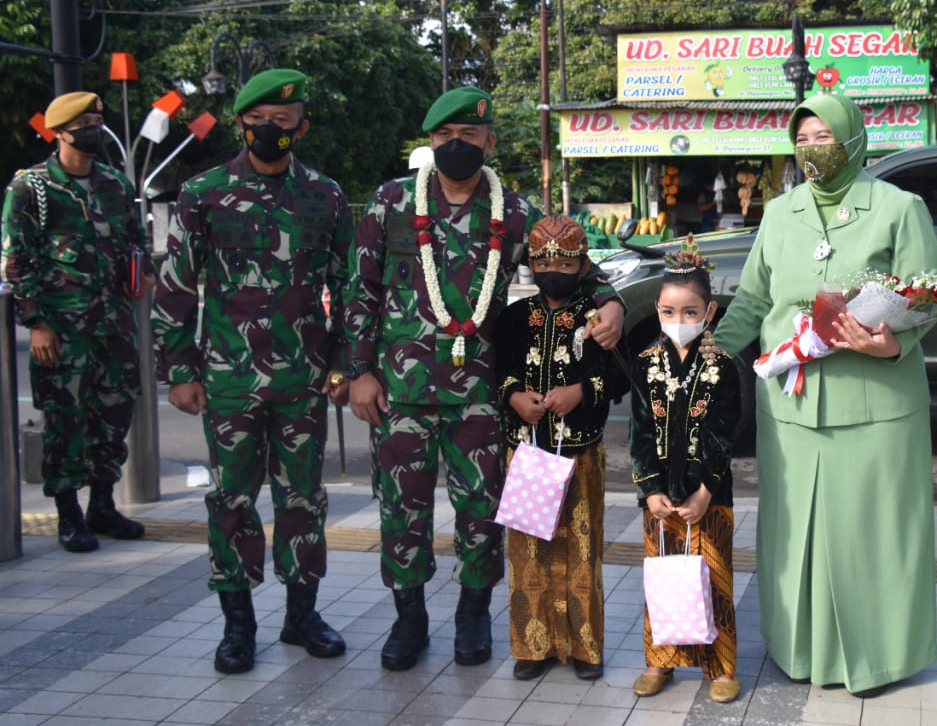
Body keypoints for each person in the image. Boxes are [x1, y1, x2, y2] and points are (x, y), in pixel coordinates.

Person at [343, 85, 624, 673]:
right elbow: (361, 290)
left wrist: (611, 301)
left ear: (489, 142)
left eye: (468, 136)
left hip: (480, 390)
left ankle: (474, 613)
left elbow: (570, 262)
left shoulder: (514, 212)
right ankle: (409, 617)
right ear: (430, 142)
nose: (455, 146)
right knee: (402, 507)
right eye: (444, 137)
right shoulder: (391, 202)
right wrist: (360, 372)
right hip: (401, 391)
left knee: (482, 507)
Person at [714, 93, 937, 696]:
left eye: (825, 135)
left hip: (874, 403)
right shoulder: (781, 211)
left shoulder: (899, 207)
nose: (814, 147)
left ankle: (874, 659)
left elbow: (928, 300)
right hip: (791, 403)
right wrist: (707, 351)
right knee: (796, 532)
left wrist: (887, 345)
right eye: (804, 137)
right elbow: (756, 298)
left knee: (869, 534)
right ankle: (801, 649)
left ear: (854, 138)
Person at [152, 69, 351, 675]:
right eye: (259, 123)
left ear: (302, 128)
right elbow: (176, 289)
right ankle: (238, 627)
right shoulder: (203, 193)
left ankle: (301, 615)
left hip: (304, 380)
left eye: (283, 124)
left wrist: (343, 365)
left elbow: (347, 290)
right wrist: (179, 369)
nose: (270, 132)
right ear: (241, 125)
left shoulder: (326, 195)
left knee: (303, 501)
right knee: (231, 501)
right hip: (229, 378)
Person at [1, 91, 151, 553]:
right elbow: (15, 261)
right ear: (60, 131)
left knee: (113, 413)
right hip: (62, 330)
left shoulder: (114, 182)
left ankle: (101, 504)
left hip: (114, 324)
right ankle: (67, 512)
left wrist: (141, 268)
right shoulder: (33, 186)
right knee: (64, 418)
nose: (95, 129)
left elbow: (134, 238)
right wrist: (36, 323)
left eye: (98, 120)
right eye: (85, 121)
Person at [494, 215, 624, 682]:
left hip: (579, 453)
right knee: (527, 549)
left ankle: (585, 647)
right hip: (527, 455)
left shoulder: (597, 318)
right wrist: (513, 396)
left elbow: (616, 377)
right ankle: (533, 645)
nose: (552, 269)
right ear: (531, 264)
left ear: (582, 264)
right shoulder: (514, 316)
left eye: (563, 262)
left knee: (581, 550)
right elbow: (500, 369)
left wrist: (582, 392)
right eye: (543, 261)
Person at [629, 235, 740, 704]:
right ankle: (660, 662)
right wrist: (649, 489)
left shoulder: (724, 367)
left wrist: (704, 492)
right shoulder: (645, 366)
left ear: (709, 313)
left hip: (707, 499)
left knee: (713, 580)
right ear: (657, 311)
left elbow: (722, 435)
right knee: (663, 580)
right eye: (669, 312)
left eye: (690, 312)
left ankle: (721, 668)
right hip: (660, 502)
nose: (679, 322)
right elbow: (637, 434)